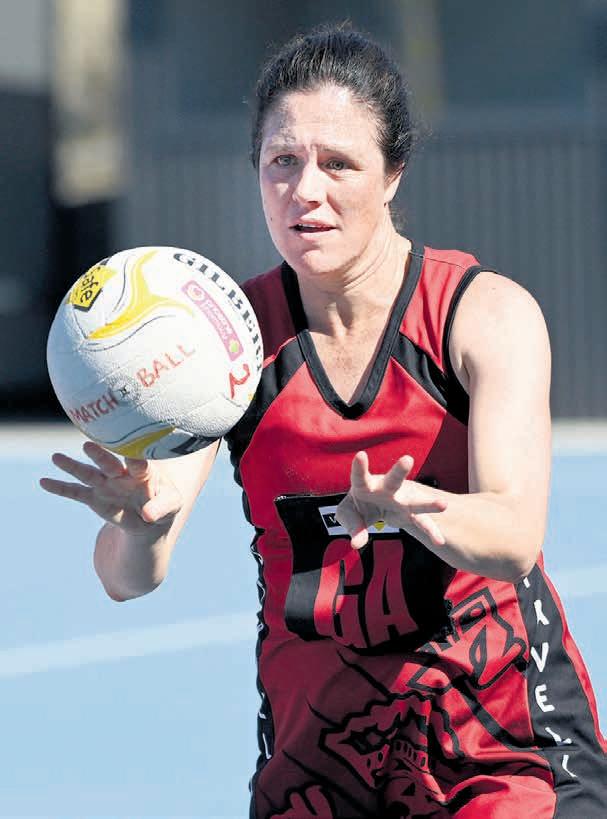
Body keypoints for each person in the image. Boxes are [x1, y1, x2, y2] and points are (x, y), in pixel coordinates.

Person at [40, 24, 607, 819]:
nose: (305, 189)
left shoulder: (480, 315)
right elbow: (127, 577)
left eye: (338, 163)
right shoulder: (224, 342)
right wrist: (141, 524)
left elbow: (510, 536)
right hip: (321, 764)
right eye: (282, 161)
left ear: (392, 173)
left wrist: (408, 507)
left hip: (497, 747)